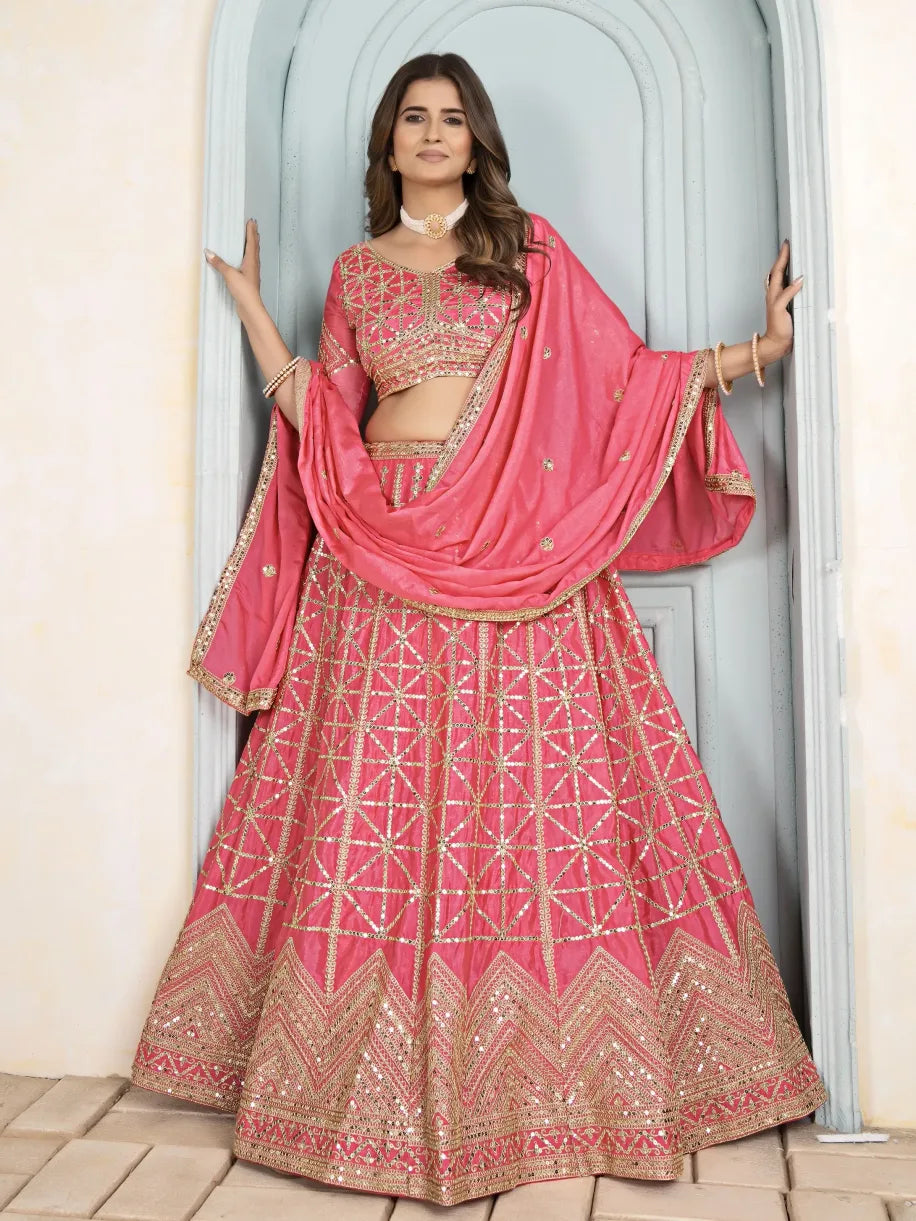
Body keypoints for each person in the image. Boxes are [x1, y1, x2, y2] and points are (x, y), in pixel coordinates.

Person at [132, 52, 825, 1205]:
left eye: (454, 118)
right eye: (415, 118)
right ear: (388, 142)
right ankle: (345, 1087)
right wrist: (255, 315)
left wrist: (754, 351)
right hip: (380, 546)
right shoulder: (355, 272)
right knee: (378, 799)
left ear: (478, 139)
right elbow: (327, 419)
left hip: (520, 555)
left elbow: (621, 384)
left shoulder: (527, 256)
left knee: (534, 810)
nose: (434, 134)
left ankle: (558, 1087)